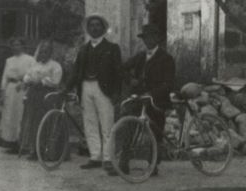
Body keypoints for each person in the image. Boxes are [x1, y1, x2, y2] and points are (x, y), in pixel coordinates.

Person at [65, 14, 122, 172]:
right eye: (91, 26)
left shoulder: (112, 48)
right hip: (85, 87)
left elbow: (118, 73)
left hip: (104, 89)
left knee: (107, 123)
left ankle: (108, 158)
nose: (94, 28)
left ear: (103, 29)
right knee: (89, 123)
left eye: (98, 25)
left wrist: (117, 92)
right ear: (87, 29)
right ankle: (95, 156)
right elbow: (76, 72)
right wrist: (66, 88)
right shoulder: (83, 49)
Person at [120, 24, 176, 176]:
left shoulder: (166, 58)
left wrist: (152, 93)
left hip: (156, 99)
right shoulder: (140, 56)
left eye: (151, 37)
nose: (148, 40)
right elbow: (122, 68)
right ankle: (123, 162)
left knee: (156, 129)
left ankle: (153, 164)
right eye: (145, 38)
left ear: (157, 38)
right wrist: (130, 80)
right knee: (129, 124)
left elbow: (169, 84)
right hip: (139, 97)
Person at [18, 40, 64, 159]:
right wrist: (29, 80)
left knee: (44, 121)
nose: (43, 54)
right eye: (42, 51)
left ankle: (43, 149)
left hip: (46, 95)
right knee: (31, 121)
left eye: (46, 51)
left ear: (50, 52)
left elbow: (56, 81)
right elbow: (27, 76)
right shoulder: (35, 64)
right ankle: (32, 148)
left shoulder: (55, 65)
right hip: (33, 94)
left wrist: (42, 80)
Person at [0, 37, 36, 152]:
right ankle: (11, 142)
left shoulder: (30, 59)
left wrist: (24, 82)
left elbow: (32, 74)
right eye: (13, 45)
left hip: (23, 88)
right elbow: (5, 76)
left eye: (18, 44)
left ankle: (22, 142)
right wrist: (3, 91)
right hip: (11, 89)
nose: (15, 47)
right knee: (10, 115)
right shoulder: (9, 60)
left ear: (23, 46)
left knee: (20, 113)